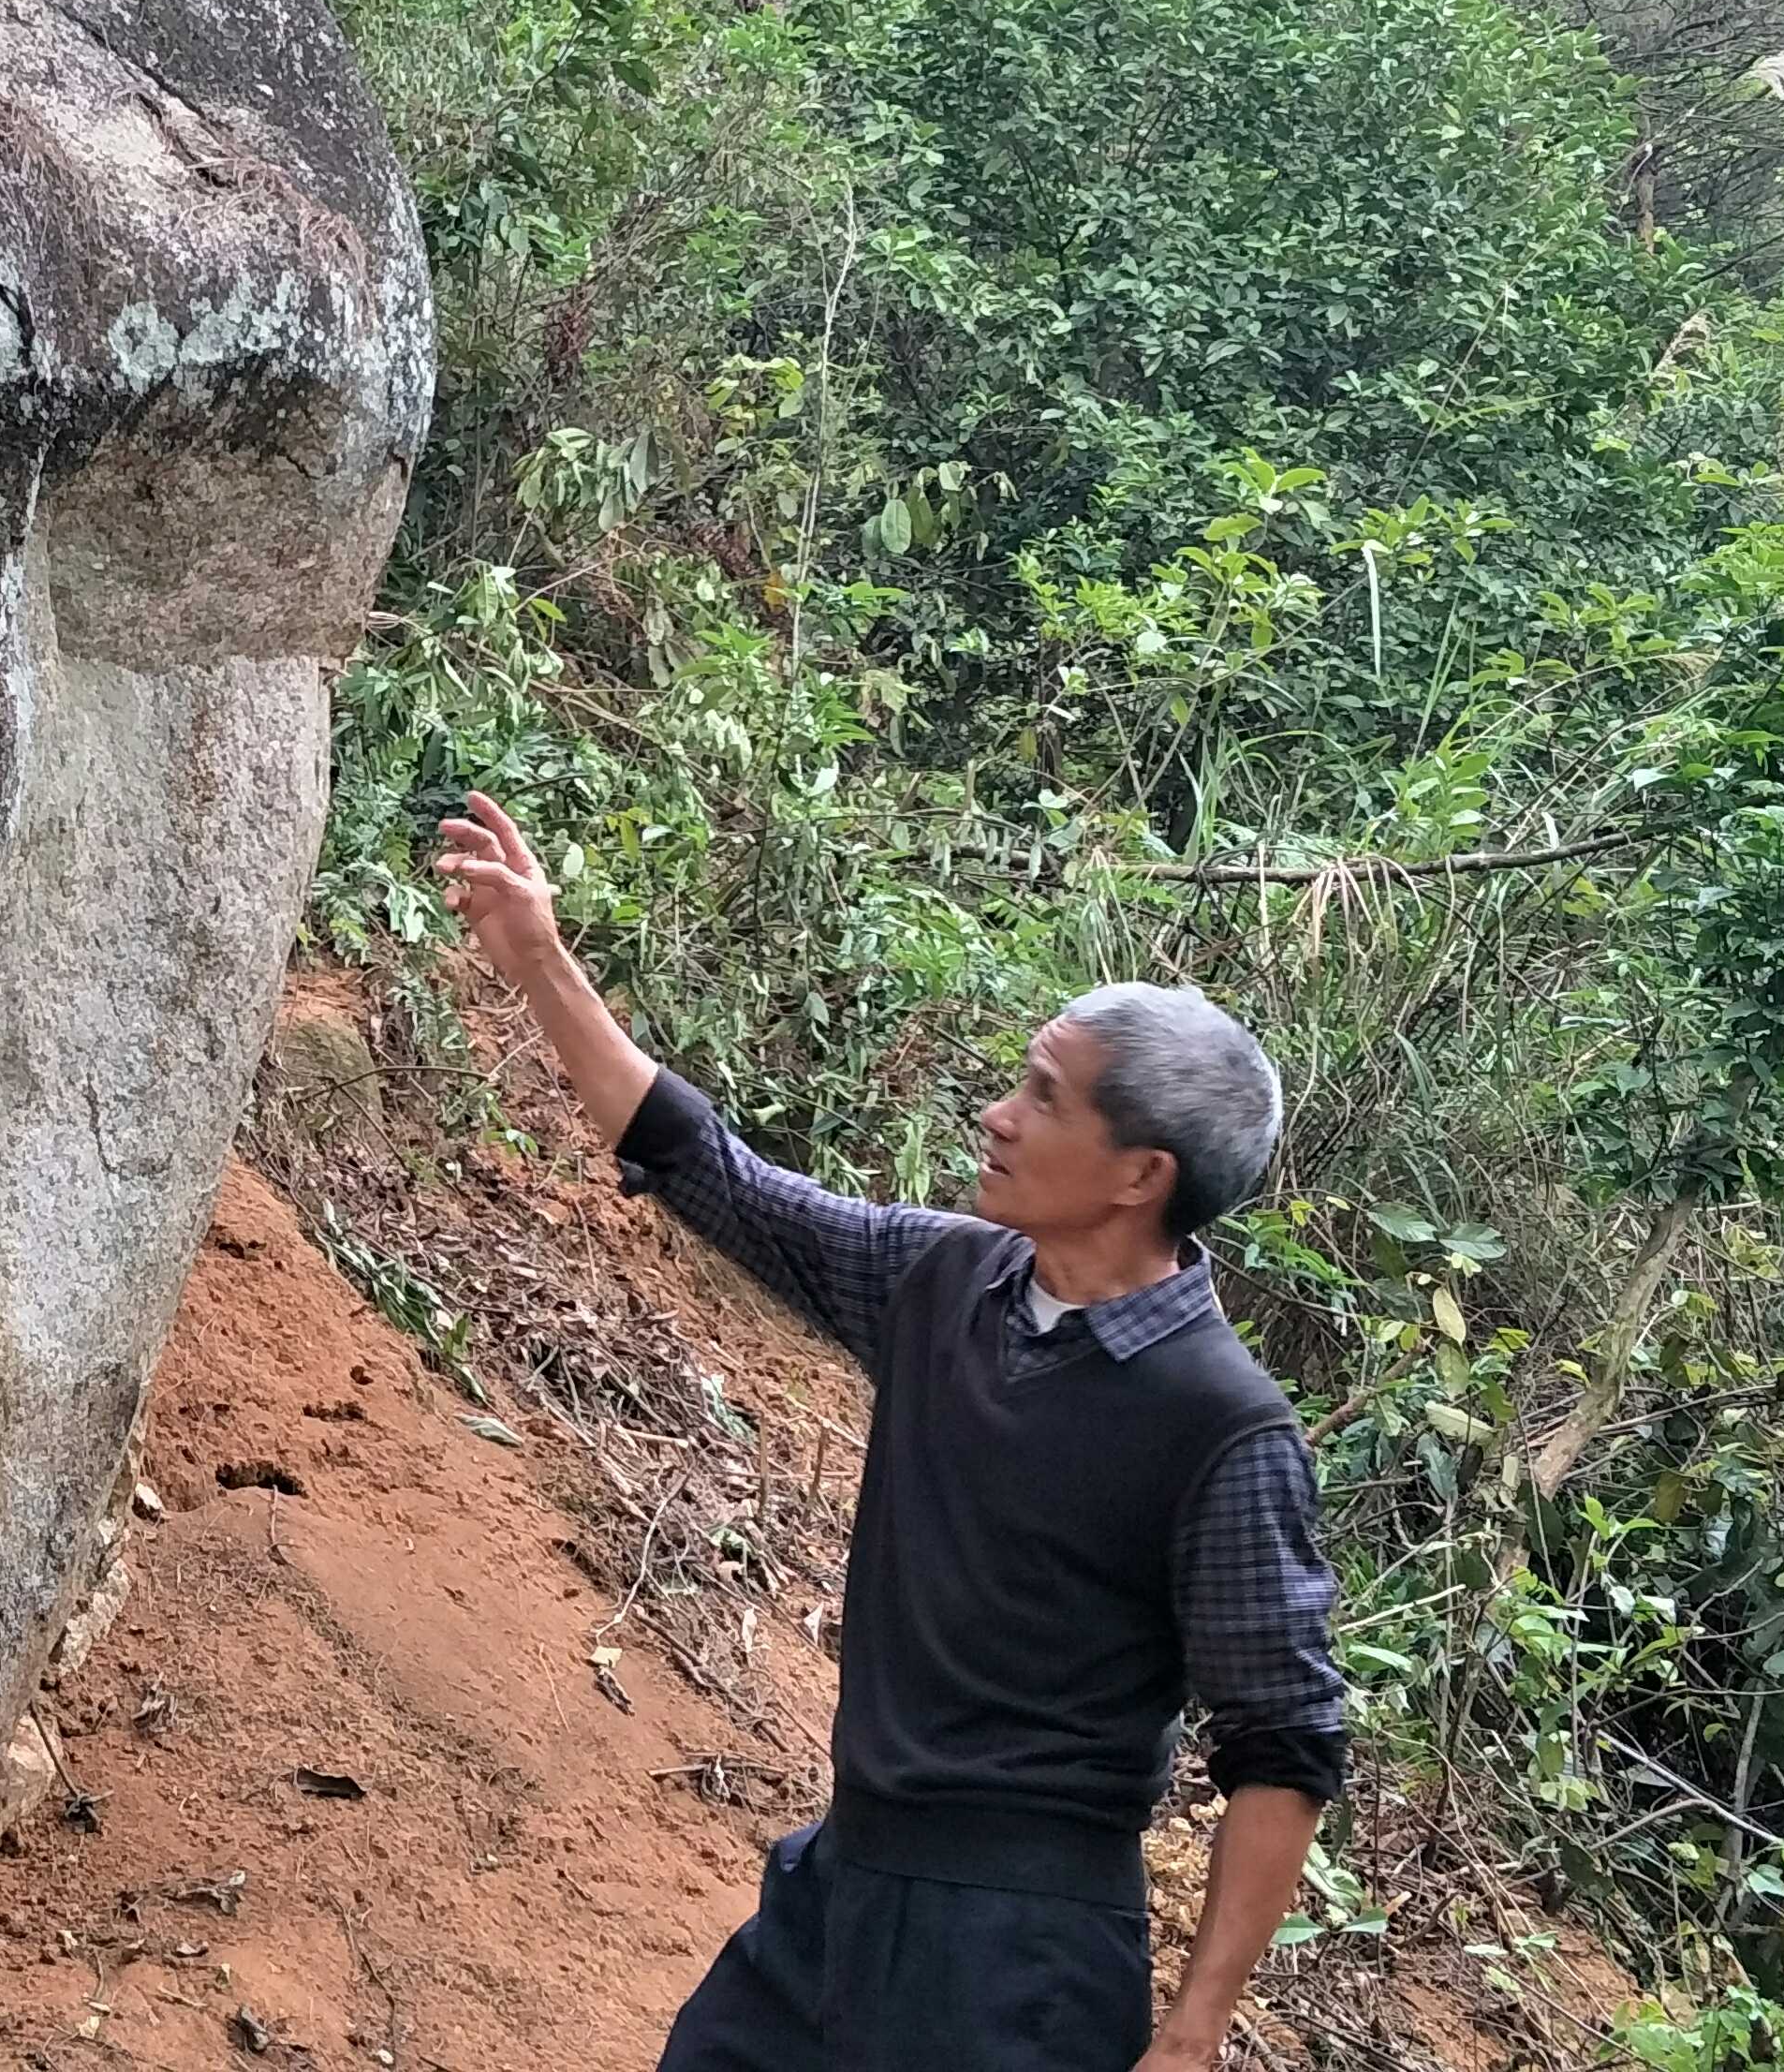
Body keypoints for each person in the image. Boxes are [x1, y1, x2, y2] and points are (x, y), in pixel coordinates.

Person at [430, 791, 1339, 2072]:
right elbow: (720, 1174)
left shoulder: (1221, 1425)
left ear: (1142, 1175)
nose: (998, 1116)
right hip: (842, 1888)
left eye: (1043, 1096)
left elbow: (1283, 1744)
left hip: (1018, 1954)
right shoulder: (945, 1282)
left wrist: (1192, 2036)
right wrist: (538, 957)